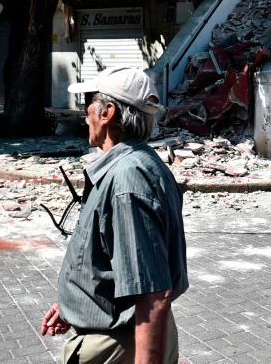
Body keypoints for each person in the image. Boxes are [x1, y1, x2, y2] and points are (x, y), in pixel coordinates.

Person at [41, 67, 187, 364]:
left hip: (121, 344)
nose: (85, 114)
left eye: (88, 104)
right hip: (122, 333)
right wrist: (77, 304)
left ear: (106, 113)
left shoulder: (127, 181)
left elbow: (153, 294)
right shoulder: (137, 164)